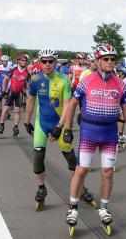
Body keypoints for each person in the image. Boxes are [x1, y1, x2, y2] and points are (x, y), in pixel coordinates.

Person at [64, 44, 126, 236]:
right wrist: (67, 128)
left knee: (107, 173)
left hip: (109, 134)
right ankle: (73, 208)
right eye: (106, 59)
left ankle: (104, 208)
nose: (110, 62)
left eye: (113, 59)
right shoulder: (86, 80)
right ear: (98, 61)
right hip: (89, 131)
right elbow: (72, 103)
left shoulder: (121, 83)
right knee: (81, 170)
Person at [24, 48, 95, 211]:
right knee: (37, 157)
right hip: (42, 123)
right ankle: (41, 189)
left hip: (60, 123)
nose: (47, 64)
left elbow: (68, 106)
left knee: (71, 159)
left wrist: (62, 128)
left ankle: (81, 189)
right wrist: (27, 122)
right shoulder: (35, 79)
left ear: (56, 62)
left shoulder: (64, 80)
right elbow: (30, 101)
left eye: (51, 61)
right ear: (40, 62)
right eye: (44, 61)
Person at [0, 54, 30, 138]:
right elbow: (5, 79)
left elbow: (28, 83)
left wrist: (27, 95)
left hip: (19, 94)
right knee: (5, 110)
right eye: (23, 60)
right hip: (11, 92)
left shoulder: (27, 72)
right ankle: (1, 125)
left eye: (26, 60)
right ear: (18, 61)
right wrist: (4, 91)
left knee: (17, 111)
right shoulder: (14, 69)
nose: (24, 62)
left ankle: (15, 127)